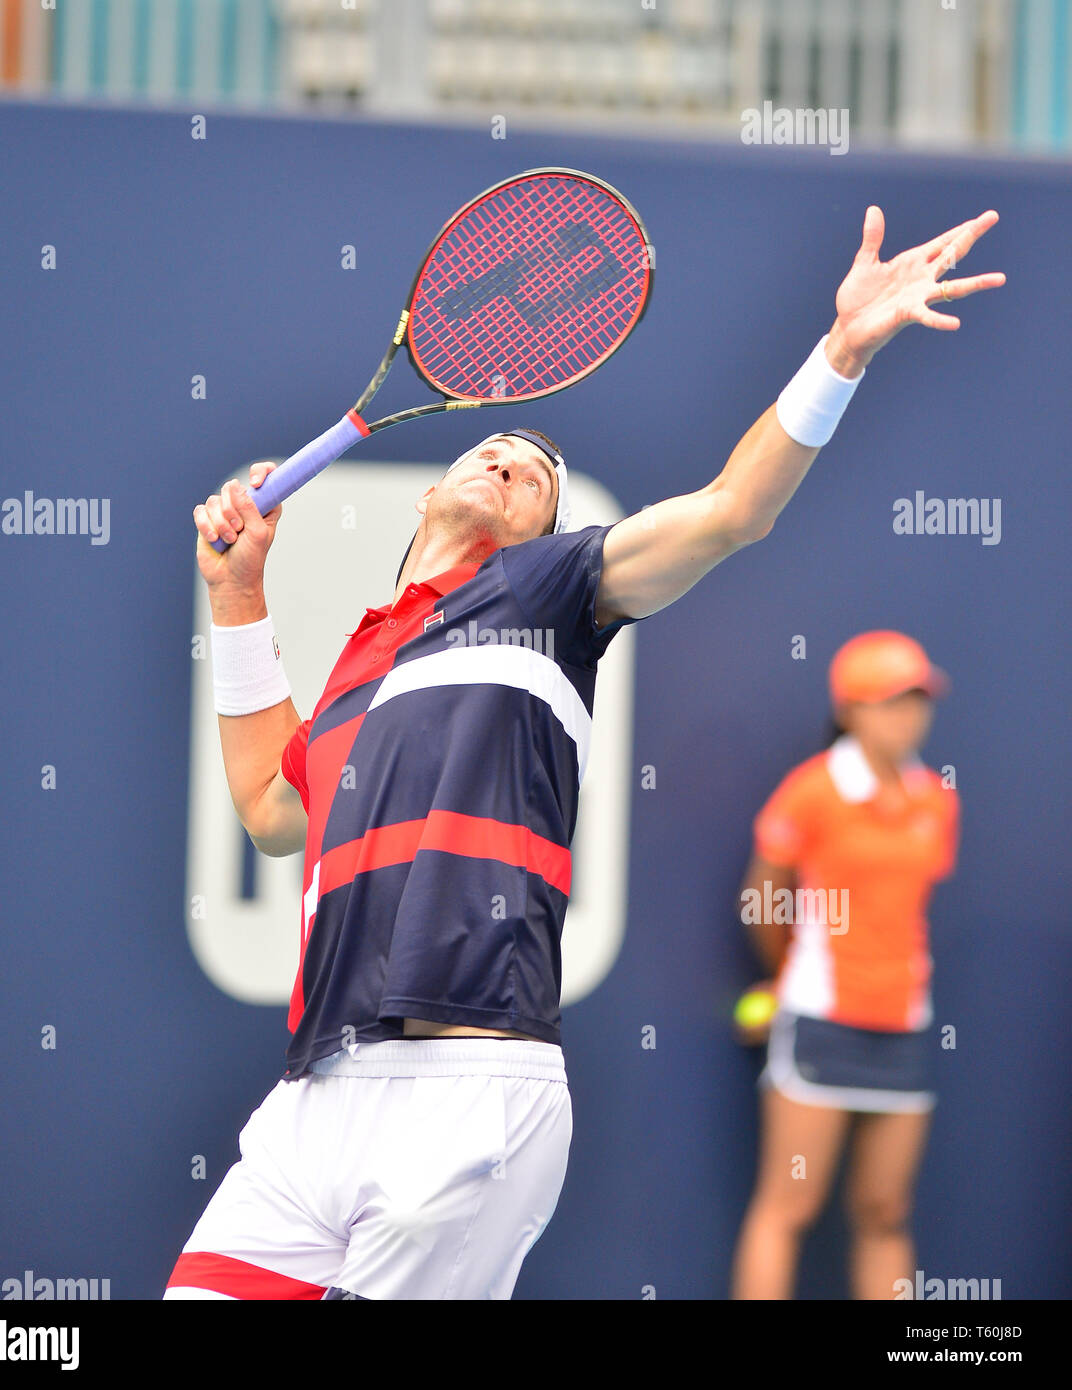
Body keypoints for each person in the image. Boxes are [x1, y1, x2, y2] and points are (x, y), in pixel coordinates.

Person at [165, 205, 1002, 1300]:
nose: (515, 455)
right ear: (428, 491)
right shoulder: (360, 663)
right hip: (315, 1093)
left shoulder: (552, 592)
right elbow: (271, 811)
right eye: (496, 444)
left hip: (468, 1086)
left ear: (547, 532)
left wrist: (839, 351)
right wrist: (236, 597)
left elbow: (730, 511)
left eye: (540, 474)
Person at [731, 631, 961, 1300]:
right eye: (892, 700)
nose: (909, 715)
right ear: (850, 709)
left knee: (886, 1213)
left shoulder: (936, 799)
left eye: (918, 700)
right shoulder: (812, 791)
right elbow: (763, 900)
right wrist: (786, 977)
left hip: (905, 1025)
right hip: (821, 1021)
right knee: (789, 1208)